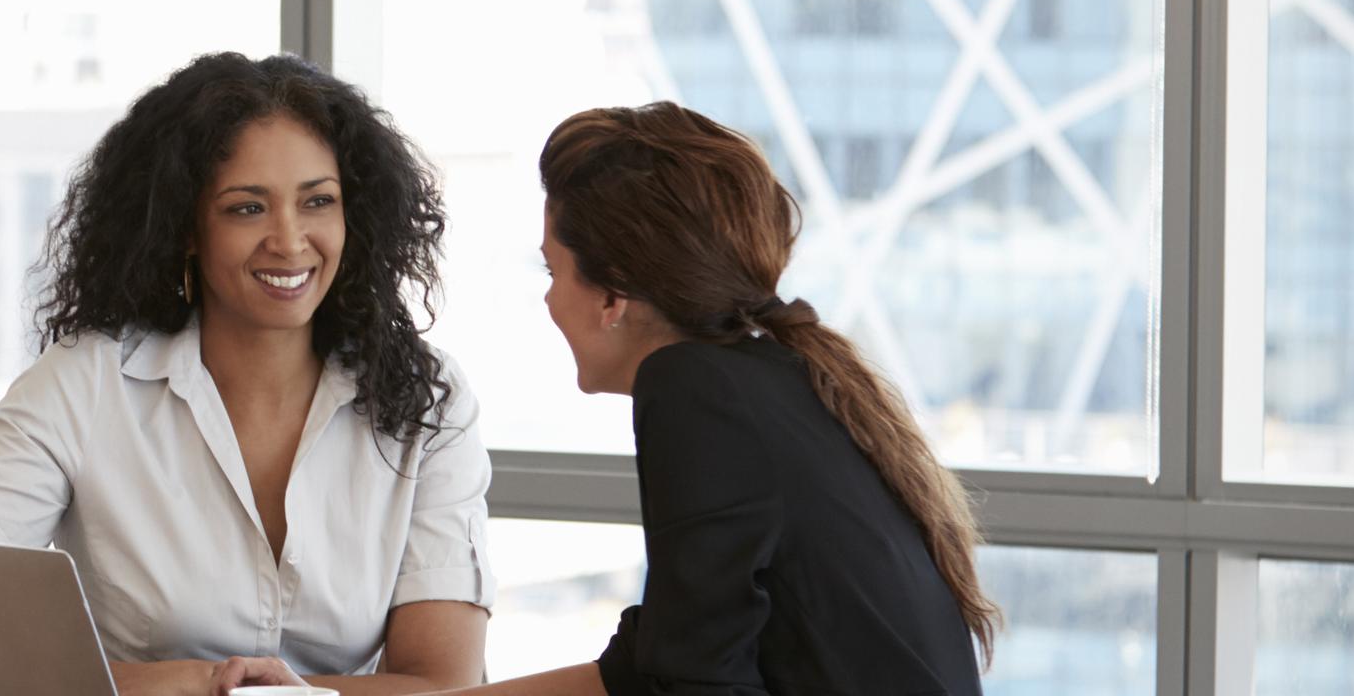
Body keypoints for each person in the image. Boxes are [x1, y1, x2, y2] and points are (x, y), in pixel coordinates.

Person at [0, 53, 492, 696]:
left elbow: (444, 684)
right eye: (246, 207)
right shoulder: (85, 384)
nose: (289, 239)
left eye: (317, 201)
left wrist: (223, 691)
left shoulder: (428, 401)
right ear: (185, 227)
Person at [377, 102, 995, 696]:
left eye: (553, 272)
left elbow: (691, 683)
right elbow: (655, 673)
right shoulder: (773, 378)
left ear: (612, 298)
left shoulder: (692, 387)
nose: (548, 301)